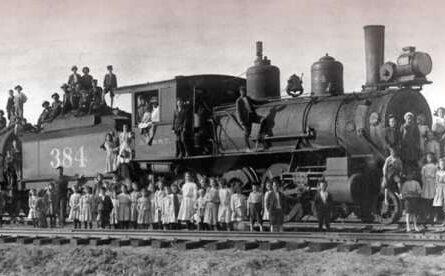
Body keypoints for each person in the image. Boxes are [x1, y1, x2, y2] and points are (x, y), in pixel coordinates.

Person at [235, 86, 268, 151]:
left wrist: (266, 101)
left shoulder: (248, 98)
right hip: (246, 118)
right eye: (242, 91)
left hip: (253, 116)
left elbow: (256, 102)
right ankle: (248, 148)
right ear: (240, 92)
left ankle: (260, 134)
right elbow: (238, 111)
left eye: (245, 91)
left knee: (263, 119)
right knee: (247, 133)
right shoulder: (238, 101)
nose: (244, 92)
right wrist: (241, 121)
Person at [421, 152, 437, 223]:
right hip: (427, 184)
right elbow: (422, 176)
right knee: (427, 200)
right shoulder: (424, 167)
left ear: (433, 158)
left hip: (433, 183)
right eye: (428, 157)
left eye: (431, 157)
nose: (429, 159)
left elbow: (437, 175)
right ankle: (427, 215)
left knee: (433, 199)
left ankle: (434, 215)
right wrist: (424, 183)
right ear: (426, 158)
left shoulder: (435, 166)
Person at [433, 158, 445, 225]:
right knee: (437, 203)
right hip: (439, 189)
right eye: (441, 164)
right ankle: (436, 216)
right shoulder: (438, 172)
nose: (442, 165)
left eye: (443, 164)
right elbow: (436, 181)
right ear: (439, 165)